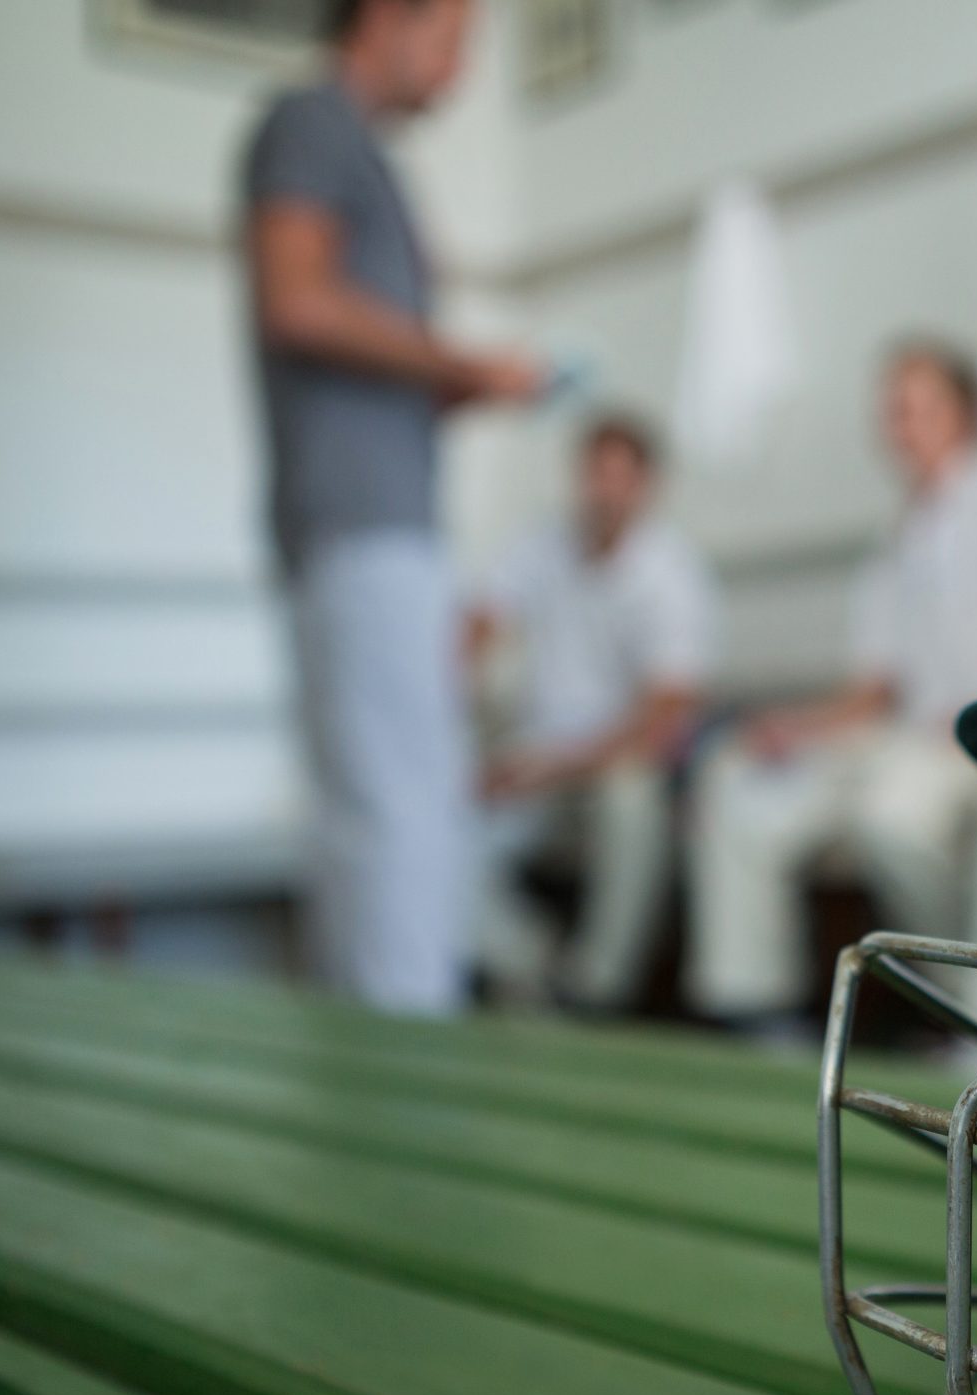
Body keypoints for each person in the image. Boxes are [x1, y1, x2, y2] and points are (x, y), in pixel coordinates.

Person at [241, 0, 542, 1014]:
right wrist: (459, 360)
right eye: (456, 40)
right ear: (390, 15)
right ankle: (414, 1066)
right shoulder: (313, 123)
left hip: (353, 519)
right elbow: (296, 297)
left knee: (365, 811)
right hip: (365, 528)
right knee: (408, 810)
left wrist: (444, 388)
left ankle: (370, 1053)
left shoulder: (349, 146)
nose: (459, 76)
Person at [686, 342, 977, 1030]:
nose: (897, 424)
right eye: (891, 410)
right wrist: (794, 729)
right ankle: (754, 1006)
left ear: (964, 413)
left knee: (892, 816)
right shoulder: (897, 537)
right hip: (906, 737)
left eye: (915, 407)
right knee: (740, 783)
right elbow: (875, 688)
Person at [469, 415, 714, 1011]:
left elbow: (663, 719)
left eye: (620, 477)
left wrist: (553, 766)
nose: (604, 490)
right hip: (540, 763)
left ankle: (597, 990)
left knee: (631, 800)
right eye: (595, 474)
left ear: (647, 485)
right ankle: (530, 965)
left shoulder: (673, 572)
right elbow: (478, 622)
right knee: (444, 815)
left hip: (607, 766)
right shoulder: (539, 547)